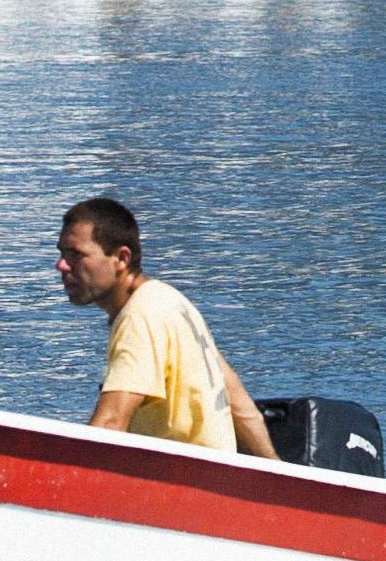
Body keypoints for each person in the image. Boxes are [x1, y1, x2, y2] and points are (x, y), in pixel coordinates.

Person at [55, 194, 272, 456]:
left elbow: (110, 424)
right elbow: (242, 409)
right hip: (208, 481)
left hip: (183, 484)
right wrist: (281, 477)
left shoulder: (141, 316)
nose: (61, 265)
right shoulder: (172, 302)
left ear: (122, 259)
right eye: (62, 253)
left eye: (76, 255)